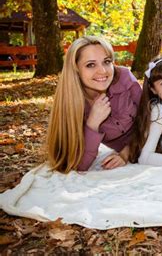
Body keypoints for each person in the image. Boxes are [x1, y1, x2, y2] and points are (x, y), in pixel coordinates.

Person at [46, 36, 142, 173]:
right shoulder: (71, 103)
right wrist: (92, 123)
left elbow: (150, 118)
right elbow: (79, 165)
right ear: (76, 69)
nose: (103, 71)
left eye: (107, 61)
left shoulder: (125, 78)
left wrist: (126, 153)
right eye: (91, 65)